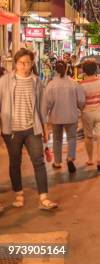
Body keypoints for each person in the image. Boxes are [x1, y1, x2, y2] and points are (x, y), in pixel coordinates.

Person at [0, 48, 58, 211]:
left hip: (32, 128)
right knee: (15, 162)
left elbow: (41, 107)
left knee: (38, 161)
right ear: (15, 64)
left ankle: (44, 197)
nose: (24, 66)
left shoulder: (36, 82)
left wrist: (45, 129)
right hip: (11, 131)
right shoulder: (4, 81)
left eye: (27, 63)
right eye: (21, 63)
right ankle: (18, 193)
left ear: (32, 64)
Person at [43, 60, 85, 173]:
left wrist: (44, 119)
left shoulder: (51, 85)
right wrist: (80, 109)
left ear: (55, 69)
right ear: (66, 69)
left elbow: (46, 103)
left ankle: (57, 162)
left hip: (56, 117)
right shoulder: (74, 83)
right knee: (72, 138)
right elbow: (81, 100)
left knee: (57, 139)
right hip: (71, 115)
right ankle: (70, 158)